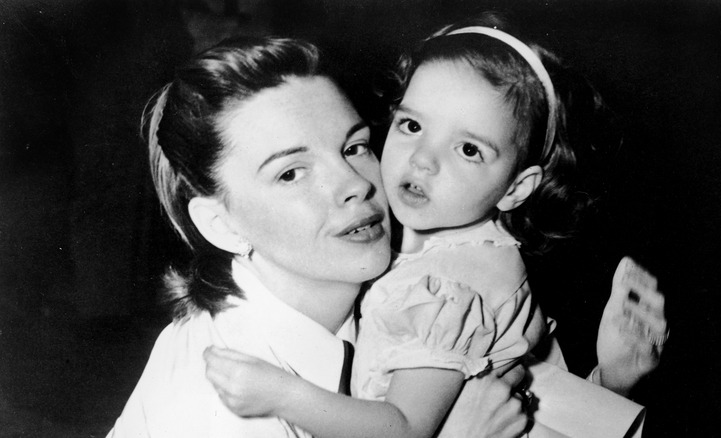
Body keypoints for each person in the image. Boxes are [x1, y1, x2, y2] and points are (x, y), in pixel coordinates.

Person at [201, 13, 668, 438]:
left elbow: (402, 429)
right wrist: (611, 383)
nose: (423, 160)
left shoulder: (449, 287)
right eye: (411, 126)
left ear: (516, 188)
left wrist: (283, 395)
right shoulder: (456, 242)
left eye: (468, 149)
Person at [106, 35, 530, 438]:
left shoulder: (396, 292)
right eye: (290, 173)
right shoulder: (223, 410)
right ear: (221, 225)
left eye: (354, 148)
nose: (354, 184)